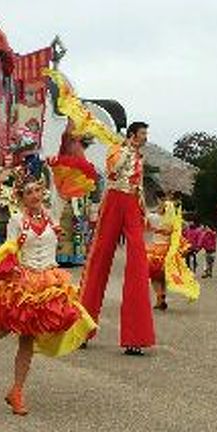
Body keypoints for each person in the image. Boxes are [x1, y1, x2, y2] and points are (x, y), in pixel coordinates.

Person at [0, 172, 96, 416]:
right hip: (25, 283)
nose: (35, 195)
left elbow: (62, 185)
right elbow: (9, 250)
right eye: (29, 192)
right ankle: (1, 320)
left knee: (30, 339)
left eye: (38, 190)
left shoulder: (53, 215)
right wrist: (8, 273)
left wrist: (54, 167)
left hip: (49, 281)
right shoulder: (16, 220)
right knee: (1, 331)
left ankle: (16, 391)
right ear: (21, 197)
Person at [78, 122, 155, 356]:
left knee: (138, 264)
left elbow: (138, 186)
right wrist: (126, 150)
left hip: (131, 203)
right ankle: (81, 329)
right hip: (113, 200)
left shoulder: (140, 157)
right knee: (99, 259)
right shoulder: (116, 149)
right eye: (142, 134)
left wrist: (144, 211)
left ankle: (135, 338)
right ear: (132, 135)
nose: (145, 138)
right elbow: (112, 170)